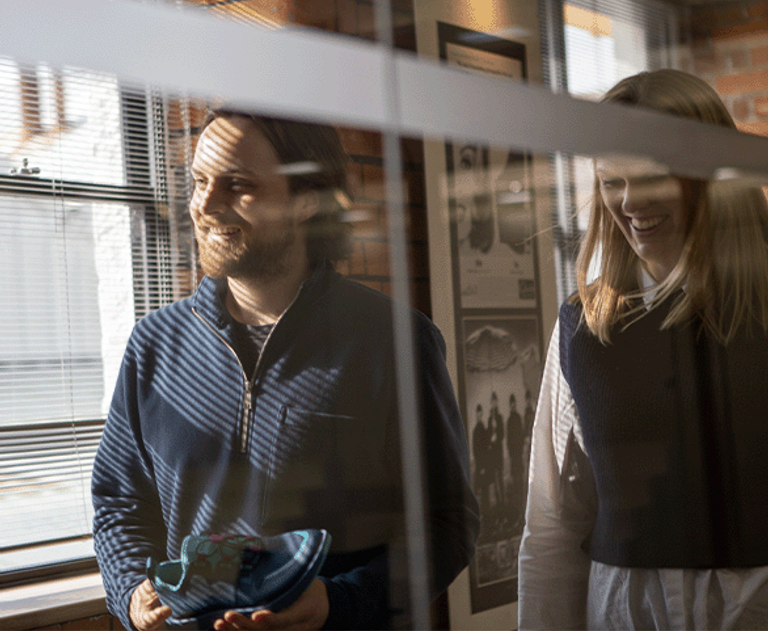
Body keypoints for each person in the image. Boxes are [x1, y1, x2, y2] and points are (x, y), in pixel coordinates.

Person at [92, 109, 480, 631]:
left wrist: (338, 602)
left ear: (307, 202)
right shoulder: (155, 344)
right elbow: (119, 499)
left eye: (237, 185)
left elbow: (448, 524)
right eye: (200, 182)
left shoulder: (395, 343)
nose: (204, 206)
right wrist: (132, 592)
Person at [518, 68, 768, 630]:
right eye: (611, 180)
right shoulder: (583, 327)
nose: (629, 203)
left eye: (651, 177)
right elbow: (554, 527)